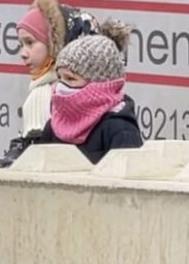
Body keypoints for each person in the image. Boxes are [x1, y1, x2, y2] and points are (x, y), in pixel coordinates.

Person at [0, 0, 101, 167]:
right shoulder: (43, 92)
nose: (23, 53)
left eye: (30, 43)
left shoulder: (46, 95)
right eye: (21, 44)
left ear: (56, 45)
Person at [36, 24, 143, 163]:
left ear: (98, 84)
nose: (61, 87)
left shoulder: (120, 130)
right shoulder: (53, 127)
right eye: (59, 78)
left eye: (70, 78)